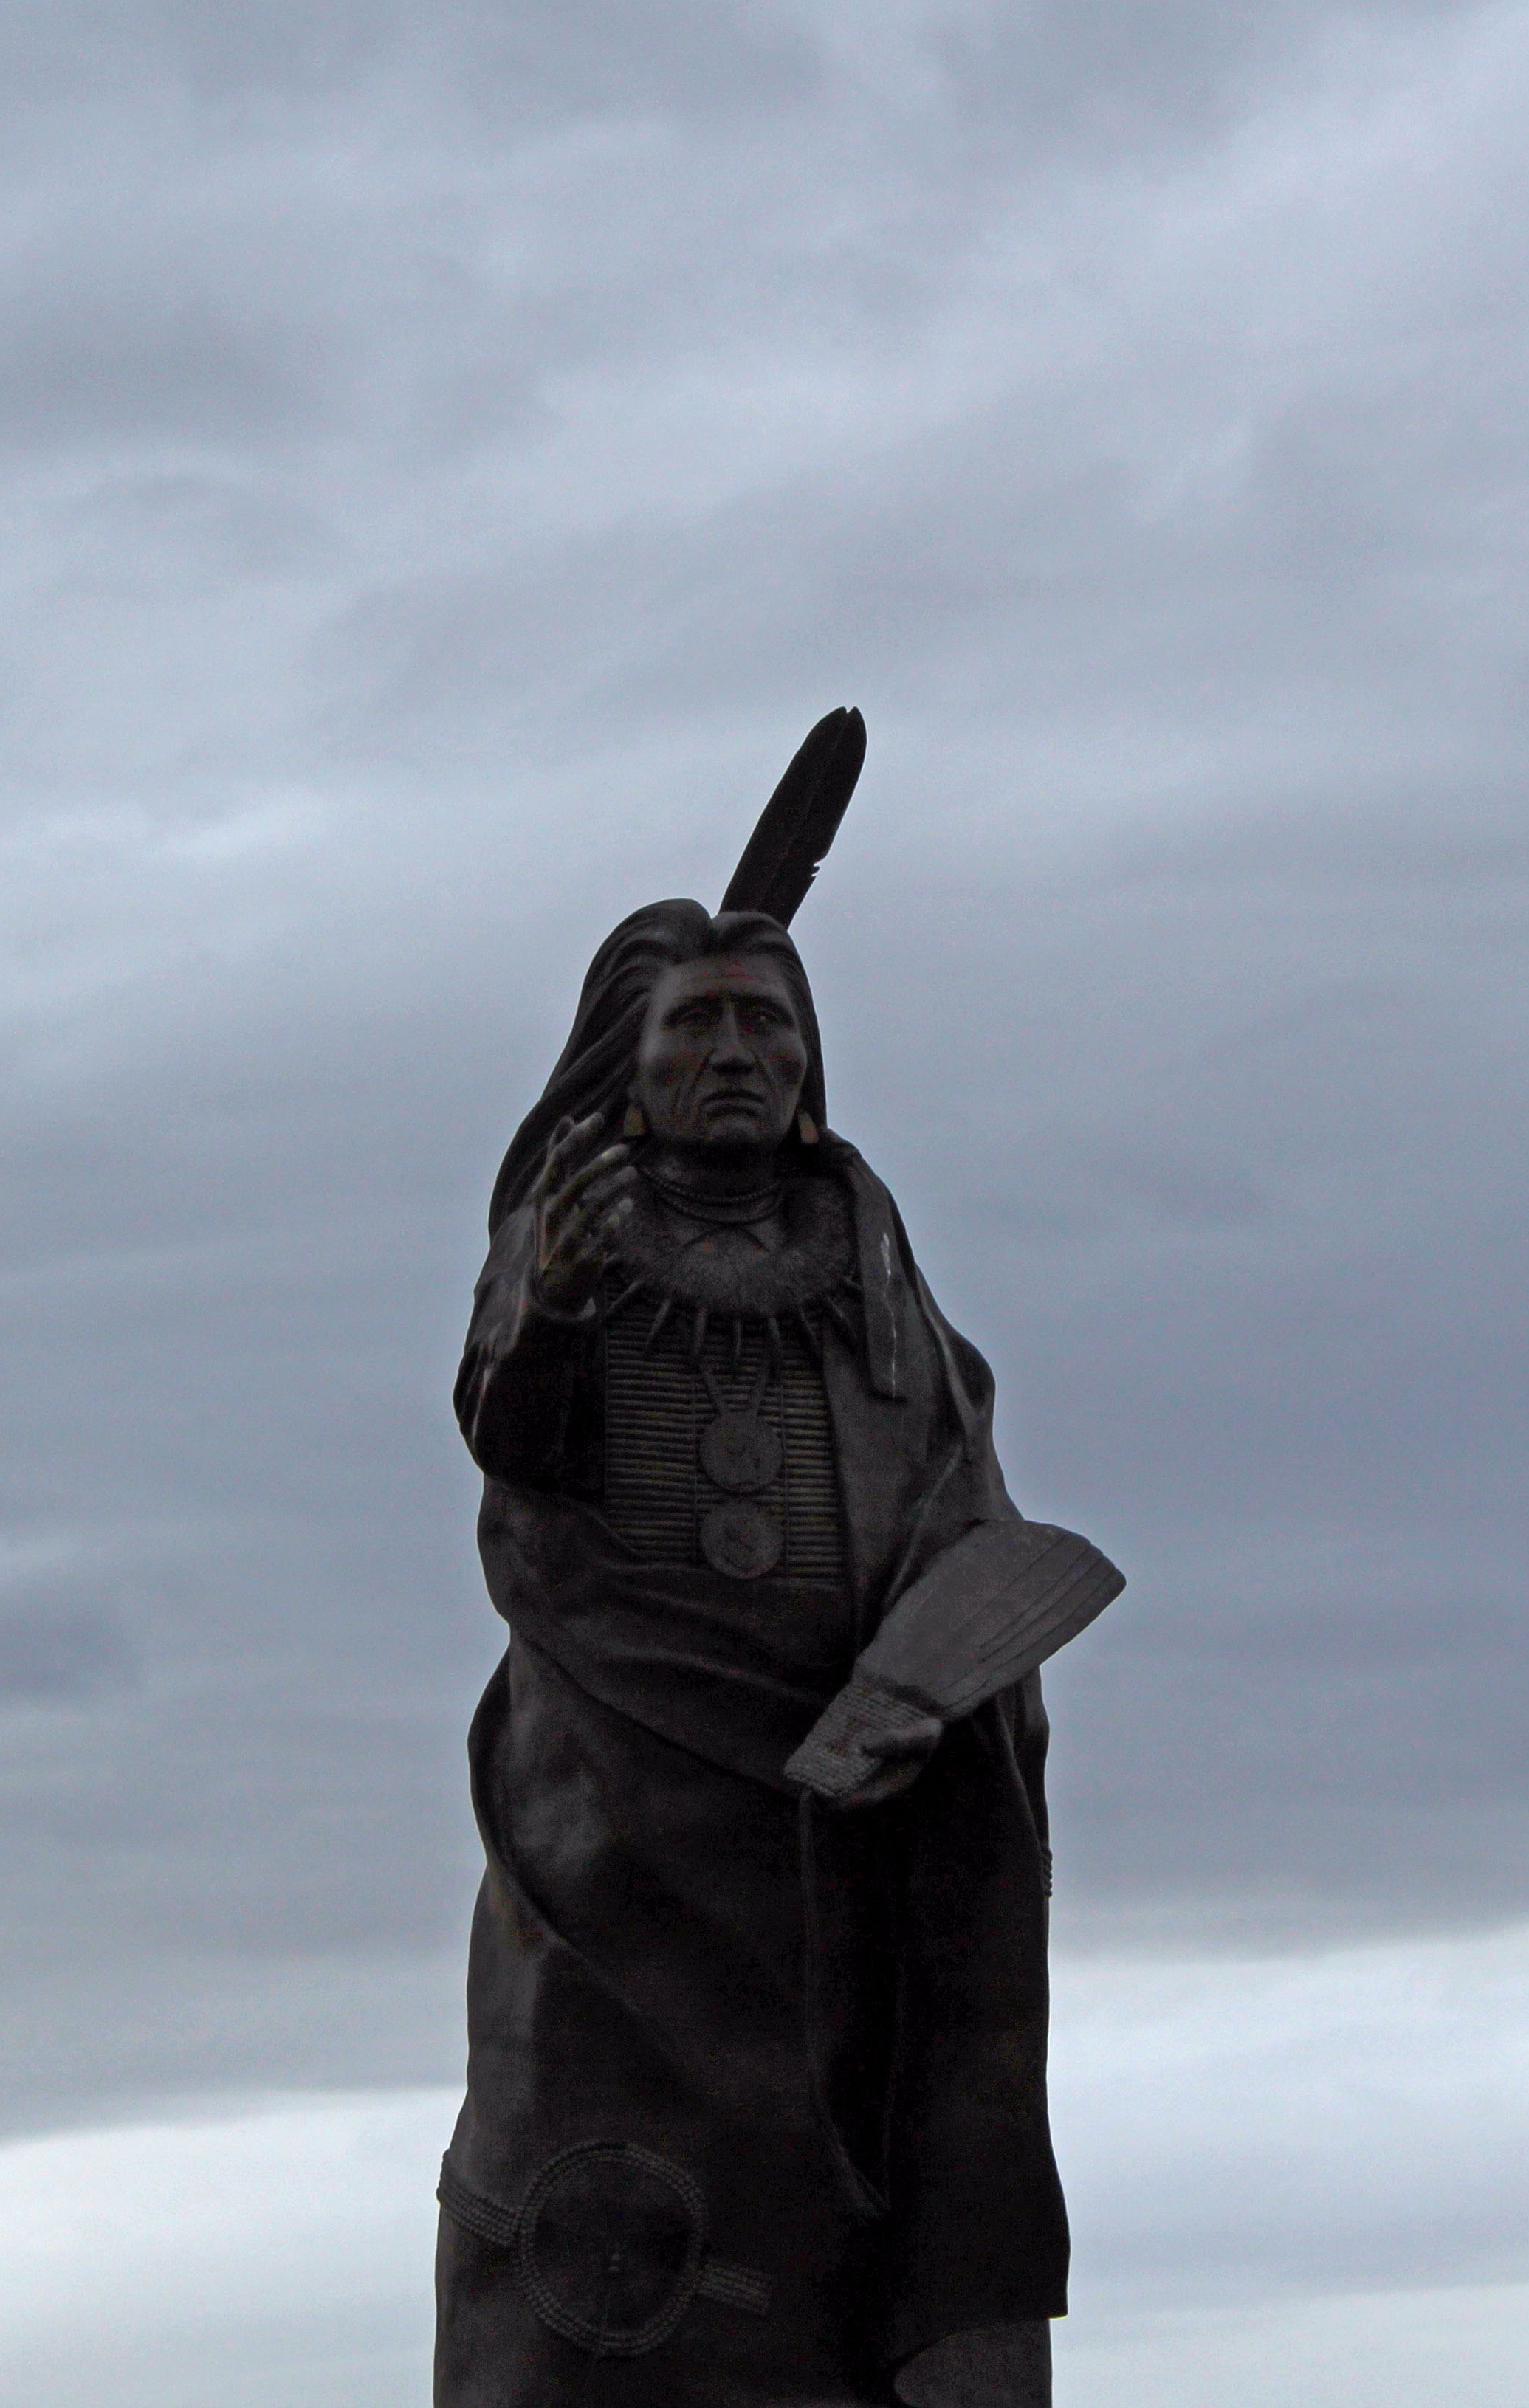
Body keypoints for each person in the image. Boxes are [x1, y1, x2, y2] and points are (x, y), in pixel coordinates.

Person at [439, 893, 1116, 2407]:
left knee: (836, 2231)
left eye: (769, 1021)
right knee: (594, 2251)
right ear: (631, 1064)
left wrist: (928, 1682)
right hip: (619, 1844)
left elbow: (958, 1506)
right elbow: (513, 1439)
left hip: (841, 1841)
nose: (739, 1051)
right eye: (698, 1022)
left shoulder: (878, 1288)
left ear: (810, 1061)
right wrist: (554, 1303)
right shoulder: (565, 1247)